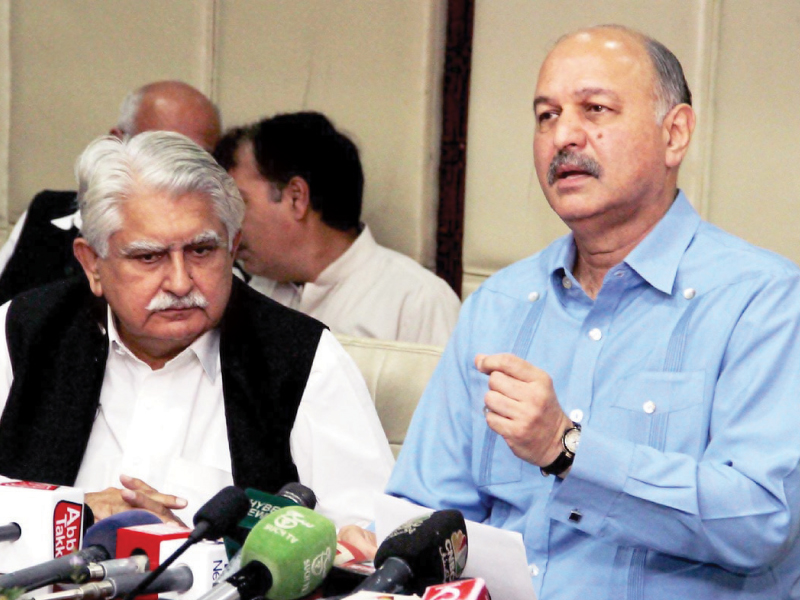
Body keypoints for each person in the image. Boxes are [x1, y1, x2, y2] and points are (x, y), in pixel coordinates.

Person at [377, 25, 800, 599]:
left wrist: (566, 448)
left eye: (594, 109)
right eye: (546, 115)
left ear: (675, 134)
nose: (563, 136)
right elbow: (427, 510)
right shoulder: (499, 307)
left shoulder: (764, 299)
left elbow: (760, 520)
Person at [0, 131, 394, 529]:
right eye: (149, 256)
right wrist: (76, 511)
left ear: (232, 245)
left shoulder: (302, 356)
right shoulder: (24, 331)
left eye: (201, 251)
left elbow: (364, 532)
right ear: (92, 265)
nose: (180, 282)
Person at [216, 113, 461, 346]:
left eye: (239, 203)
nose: (227, 224)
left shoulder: (417, 301)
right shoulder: (251, 292)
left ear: (296, 198)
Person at [0, 81, 223, 305]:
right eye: (158, 149)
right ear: (116, 142)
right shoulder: (49, 213)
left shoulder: (219, 233)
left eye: (195, 157)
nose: (174, 168)